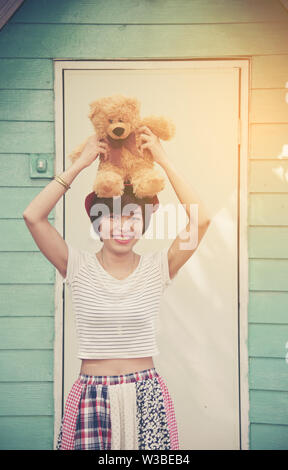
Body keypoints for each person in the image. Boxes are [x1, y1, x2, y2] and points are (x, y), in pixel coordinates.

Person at [23, 126, 211, 450]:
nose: (123, 227)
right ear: (97, 223)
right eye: (112, 217)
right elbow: (33, 216)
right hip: (91, 394)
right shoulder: (76, 265)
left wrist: (164, 162)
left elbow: (201, 221)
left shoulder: (158, 267)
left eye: (133, 218)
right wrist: (79, 164)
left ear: (144, 223)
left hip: (146, 393)